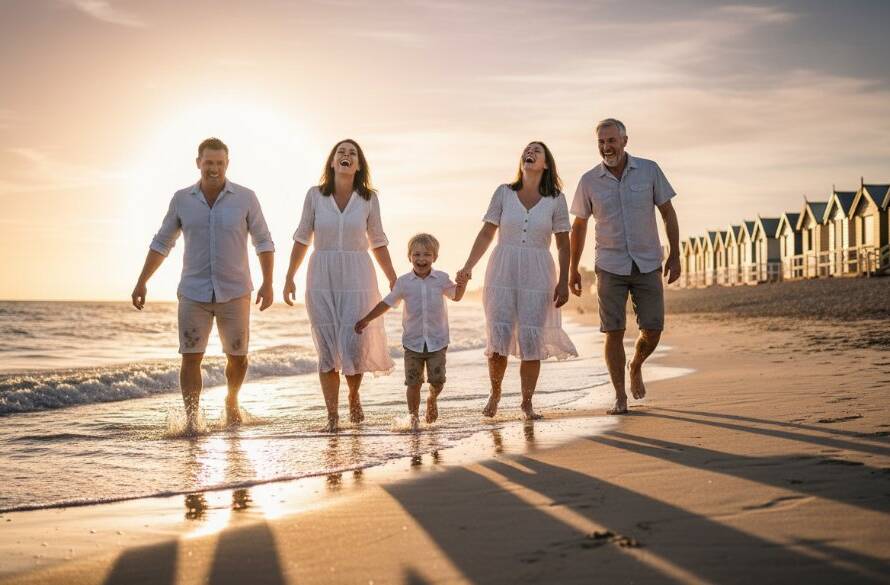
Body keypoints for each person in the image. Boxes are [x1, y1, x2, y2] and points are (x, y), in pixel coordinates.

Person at [131, 137, 274, 431]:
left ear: (227, 164)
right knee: (190, 356)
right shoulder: (182, 199)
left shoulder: (246, 198)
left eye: (220, 163)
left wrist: (268, 282)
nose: (214, 168)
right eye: (208, 162)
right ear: (198, 163)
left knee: (238, 357)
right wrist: (142, 281)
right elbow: (162, 242)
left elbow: (263, 241)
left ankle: (231, 400)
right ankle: (193, 421)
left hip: (235, 291)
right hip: (193, 292)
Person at [568, 118, 681, 415]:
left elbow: (668, 213)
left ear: (624, 140)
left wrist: (675, 254)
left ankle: (637, 364)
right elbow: (578, 227)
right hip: (609, 264)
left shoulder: (649, 170)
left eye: (611, 141)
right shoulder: (589, 181)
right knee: (613, 331)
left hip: (647, 262)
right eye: (601, 142)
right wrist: (573, 268)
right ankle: (620, 397)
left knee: (653, 329)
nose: (607, 147)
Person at [457, 141, 577, 420]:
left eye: (537, 150)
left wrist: (563, 280)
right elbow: (487, 233)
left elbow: (562, 243)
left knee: (531, 339)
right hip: (502, 270)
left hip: (538, 272)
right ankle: (495, 392)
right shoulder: (504, 193)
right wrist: (468, 266)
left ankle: (526, 402)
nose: (530, 152)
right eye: (527, 149)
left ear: (546, 163)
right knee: (498, 337)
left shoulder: (556, 199)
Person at [283, 139, 397, 432]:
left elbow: (379, 240)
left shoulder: (369, 198)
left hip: (358, 274)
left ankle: (354, 395)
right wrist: (289, 276)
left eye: (352, 154)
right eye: (341, 153)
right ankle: (332, 416)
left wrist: (393, 277)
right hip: (321, 275)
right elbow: (301, 237)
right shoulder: (315, 196)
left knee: (354, 341)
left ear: (358, 165)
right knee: (326, 346)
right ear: (332, 162)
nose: (346, 156)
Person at [355, 233, 467, 430]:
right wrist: (366, 319)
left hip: (437, 341)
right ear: (409, 257)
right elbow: (387, 303)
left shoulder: (441, 278)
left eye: (427, 255)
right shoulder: (404, 282)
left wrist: (463, 283)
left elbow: (456, 296)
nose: (421, 259)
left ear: (435, 257)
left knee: (437, 380)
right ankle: (414, 418)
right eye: (416, 255)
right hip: (413, 343)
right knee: (413, 383)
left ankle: (432, 398)